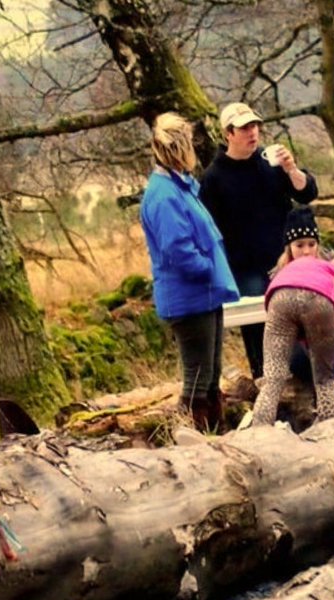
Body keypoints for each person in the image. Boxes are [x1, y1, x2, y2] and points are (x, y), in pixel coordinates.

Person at [201, 102, 319, 379]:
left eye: (255, 126)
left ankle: (305, 377)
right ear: (228, 133)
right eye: (244, 128)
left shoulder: (271, 162)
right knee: (258, 328)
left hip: (285, 263)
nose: (252, 133)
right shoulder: (214, 177)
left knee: (297, 321)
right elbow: (210, 231)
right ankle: (263, 380)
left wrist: (292, 169)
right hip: (245, 270)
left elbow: (307, 193)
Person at [140, 112, 240, 431]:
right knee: (197, 380)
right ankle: (193, 441)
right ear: (181, 148)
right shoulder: (164, 195)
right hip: (189, 297)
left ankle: (217, 435)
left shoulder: (179, 187)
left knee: (210, 377)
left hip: (205, 295)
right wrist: (208, 268)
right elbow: (178, 249)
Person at [251, 211, 334, 426]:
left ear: (317, 245)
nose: (307, 251)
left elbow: (309, 342)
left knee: (273, 377)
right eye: (300, 245)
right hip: (317, 301)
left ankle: (259, 429)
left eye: (311, 244)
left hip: (278, 297)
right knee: (324, 380)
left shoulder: (283, 272)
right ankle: (329, 425)